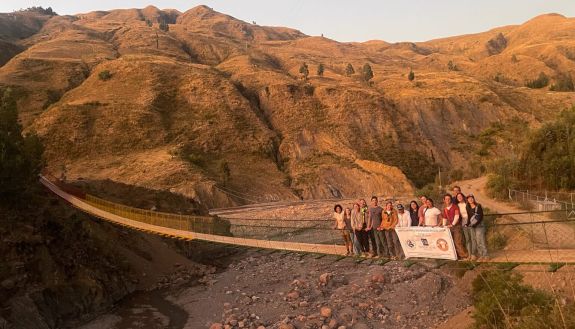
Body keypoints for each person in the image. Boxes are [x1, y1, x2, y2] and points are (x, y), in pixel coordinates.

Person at [442, 194, 468, 259]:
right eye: (446, 199)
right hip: (450, 227)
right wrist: (443, 225)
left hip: (457, 226)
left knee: (458, 241)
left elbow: (457, 216)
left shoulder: (455, 206)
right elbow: (444, 218)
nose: (447, 200)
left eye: (449, 199)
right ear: (444, 200)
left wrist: (453, 224)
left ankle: (464, 255)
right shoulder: (445, 209)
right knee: (452, 242)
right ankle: (456, 256)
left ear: (451, 199)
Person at [466, 194, 488, 261]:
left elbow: (481, 217)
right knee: (475, 240)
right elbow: (469, 216)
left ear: (473, 198)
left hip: (479, 226)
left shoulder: (478, 206)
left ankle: (486, 256)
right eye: (469, 198)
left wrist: (475, 224)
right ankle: (481, 255)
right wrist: (468, 224)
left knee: (481, 241)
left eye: (471, 198)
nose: (470, 199)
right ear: (467, 200)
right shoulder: (468, 207)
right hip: (472, 226)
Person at [456, 192, 475, 260]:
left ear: (463, 196)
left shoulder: (467, 203)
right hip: (463, 223)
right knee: (467, 239)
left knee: (473, 238)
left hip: (470, 222)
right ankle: (469, 254)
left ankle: (473, 254)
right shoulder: (457, 205)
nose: (459, 198)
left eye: (460, 196)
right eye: (458, 197)